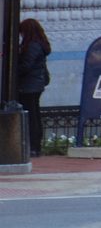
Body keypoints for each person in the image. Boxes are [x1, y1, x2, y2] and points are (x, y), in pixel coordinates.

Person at [16, 18, 51, 158]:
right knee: (34, 115)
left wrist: (13, 72)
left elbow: (26, 65)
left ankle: (34, 146)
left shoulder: (32, 46)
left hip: (29, 85)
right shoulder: (39, 44)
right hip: (35, 84)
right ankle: (35, 146)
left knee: (31, 116)